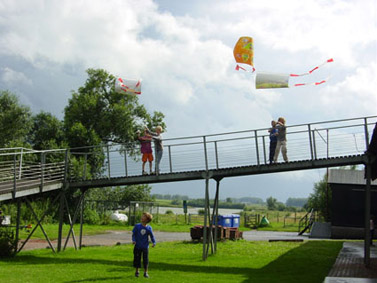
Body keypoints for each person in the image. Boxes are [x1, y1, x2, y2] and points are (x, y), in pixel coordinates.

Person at [132, 212, 156, 278]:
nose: (142, 217)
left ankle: (145, 272)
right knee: (137, 259)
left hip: (145, 247)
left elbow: (152, 236)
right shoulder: (137, 226)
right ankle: (137, 271)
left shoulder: (149, 228)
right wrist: (133, 240)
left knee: (145, 260)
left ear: (147, 219)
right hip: (137, 246)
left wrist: (154, 242)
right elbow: (133, 234)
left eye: (144, 216)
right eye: (142, 216)